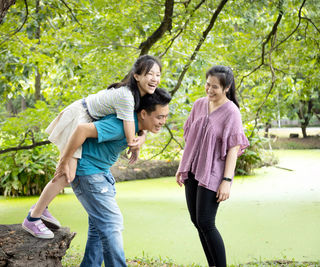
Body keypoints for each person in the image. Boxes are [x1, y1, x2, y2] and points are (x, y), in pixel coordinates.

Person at [22, 55, 162, 238]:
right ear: (136, 76)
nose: (155, 79)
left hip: (85, 120)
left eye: (158, 74)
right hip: (79, 117)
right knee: (66, 173)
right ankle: (32, 219)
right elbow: (130, 136)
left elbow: (138, 126)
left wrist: (142, 137)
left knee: (68, 174)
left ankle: (41, 208)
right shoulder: (127, 96)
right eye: (149, 74)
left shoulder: (138, 95)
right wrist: (136, 144)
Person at [62, 88, 171, 267]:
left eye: (165, 117)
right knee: (112, 223)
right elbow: (82, 129)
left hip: (100, 173)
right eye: (160, 117)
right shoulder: (120, 126)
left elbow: (140, 130)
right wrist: (64, 161)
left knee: (99, 228)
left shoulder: (135, 125)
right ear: (143, 113)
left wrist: (141, 138)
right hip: (88, 173)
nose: (163, 122)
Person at [176, 65, 249, 267]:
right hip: (192, 170)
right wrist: (182, 166)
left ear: (226, 88)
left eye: (214, 87)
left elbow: (233, 149)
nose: (209, 90)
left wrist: (227, 181)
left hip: (214, 173)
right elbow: (190, 137)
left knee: (207, 222)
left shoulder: (232, 112)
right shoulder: (199, 104)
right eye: (207, 84)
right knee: (197, 221)